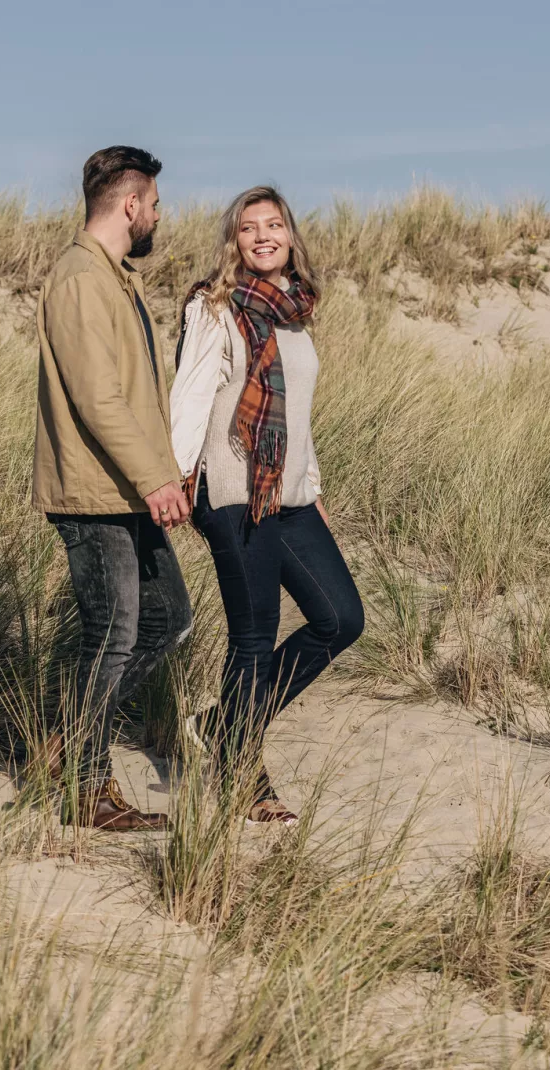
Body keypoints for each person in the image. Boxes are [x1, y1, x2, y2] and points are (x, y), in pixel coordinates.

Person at [169, 186, 364, 825]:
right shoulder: (214, 305)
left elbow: (298, 418)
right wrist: (176, 479)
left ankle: (225, 723)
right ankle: (242, 776)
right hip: (232, 490)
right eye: (249, 227)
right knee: (252, 635)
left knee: (340, 619)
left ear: (289, 235)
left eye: (272, 225)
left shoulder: (294, 313)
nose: (261, 236)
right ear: (235, 239)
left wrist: (315, 487)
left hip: (291, 494)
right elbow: (192, 396)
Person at [31, 146, 192, 831]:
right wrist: (153, 476)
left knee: (167, 619)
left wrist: (163, 476)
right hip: (94, 491)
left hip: (128, 491)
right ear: (130, 205)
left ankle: (68, 743)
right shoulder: (79, 280)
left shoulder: (115, 278)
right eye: (154, 204)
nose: (158, 215)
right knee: (113, 632)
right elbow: (98, 398)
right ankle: (87, 790)